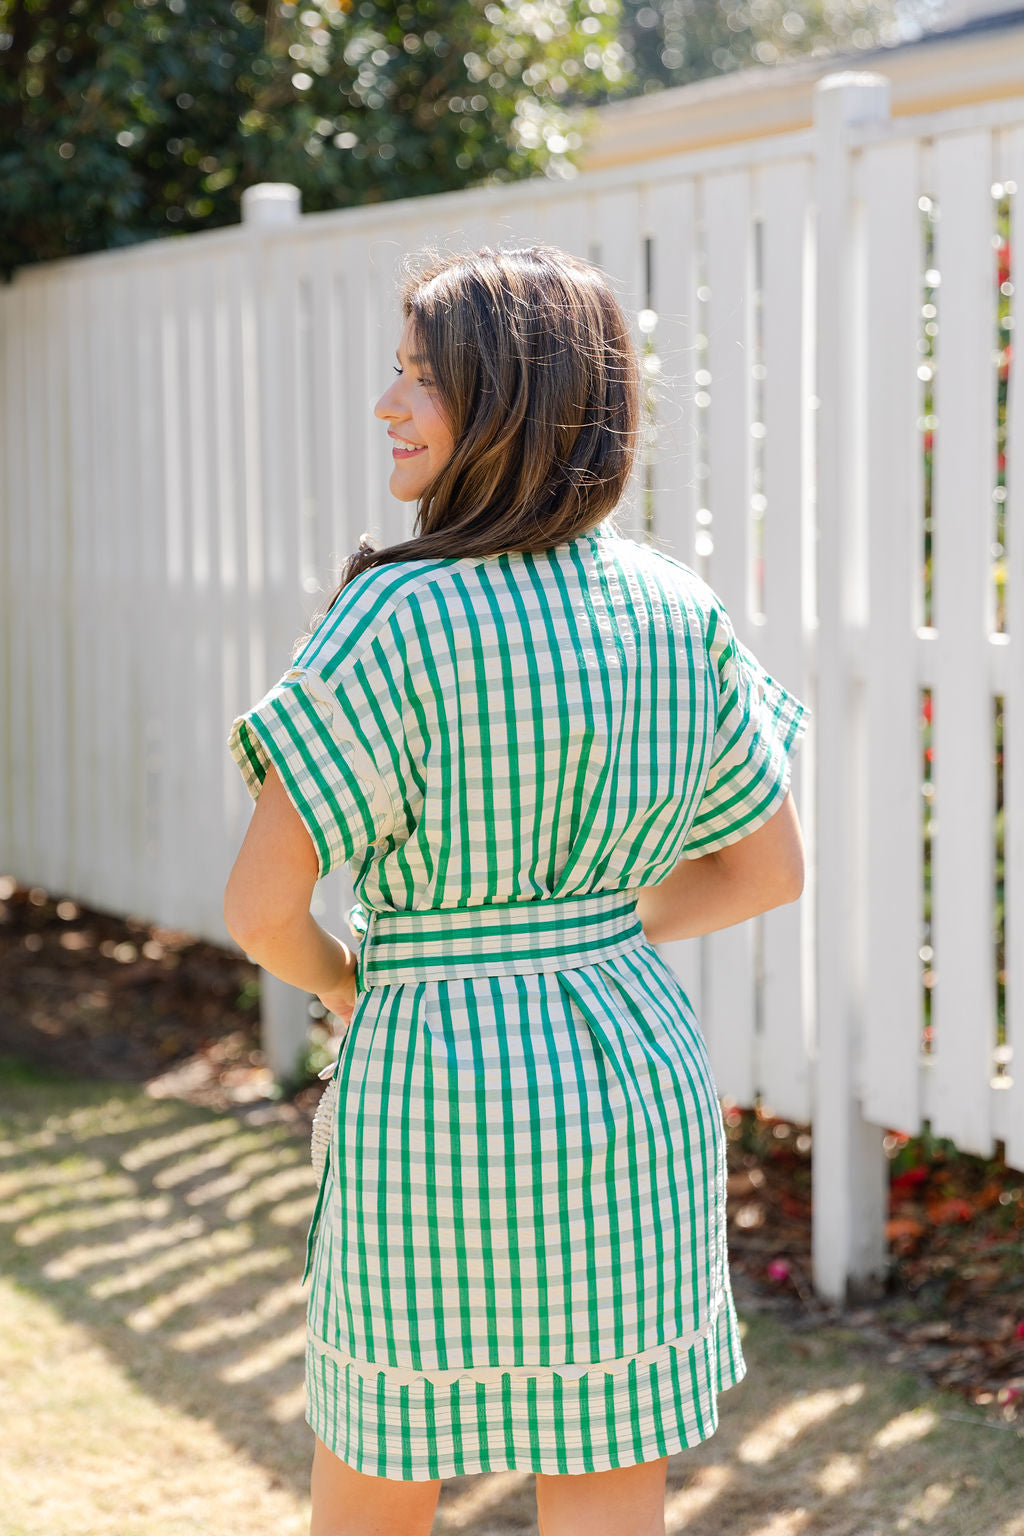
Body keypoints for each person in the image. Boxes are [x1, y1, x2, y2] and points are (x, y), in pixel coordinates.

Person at [223, 243, 809, 1536]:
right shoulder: (674, 609)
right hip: (629, 1084)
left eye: (421, 382)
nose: (387, 406)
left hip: (431, 1086)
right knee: (606, 1468)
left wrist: (348, 985)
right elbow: (768, 868)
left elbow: (261, 908)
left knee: (382, 1467)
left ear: (512, 405)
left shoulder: (394, 619)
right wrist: (584, 935)